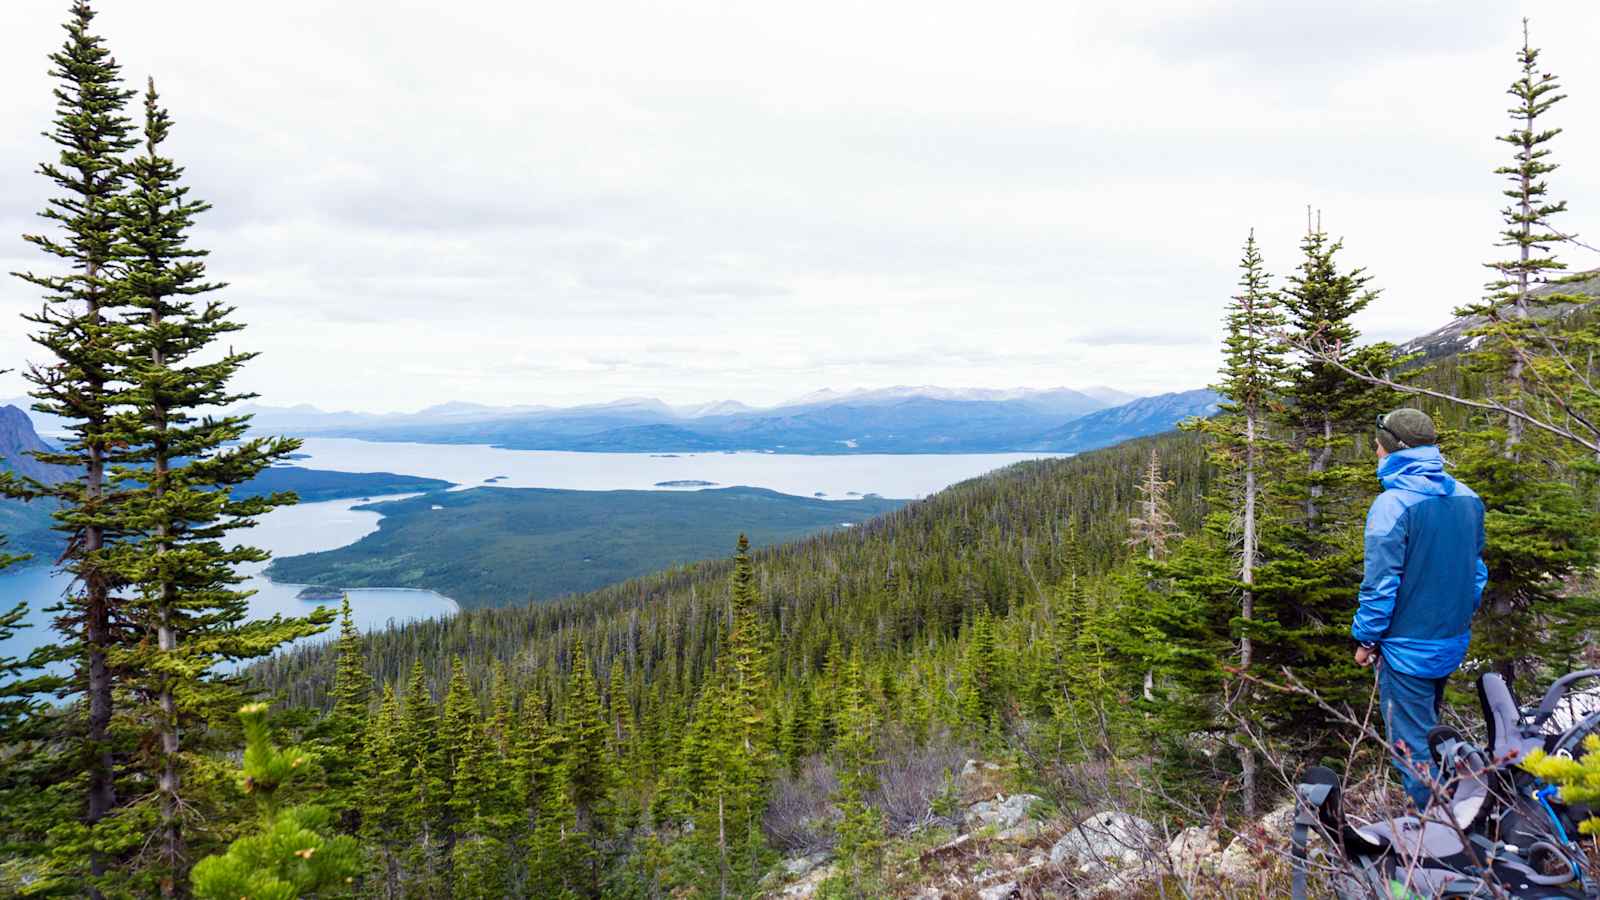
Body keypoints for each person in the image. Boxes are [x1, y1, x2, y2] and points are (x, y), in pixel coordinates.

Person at [1352, 407, 1487, 810]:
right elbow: (1475, 572)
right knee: (1434, 735)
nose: (1375, 452)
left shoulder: (1392, 506)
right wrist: (1457, 615)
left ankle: (1444, 841)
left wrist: (1365, 638)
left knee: (1412, 750)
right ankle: (1462, 811)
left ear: (1392, 449)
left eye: (1378, 445)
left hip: (1405, 649)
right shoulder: (1468, 498)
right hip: (1450, 640)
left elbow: (1380, 586)